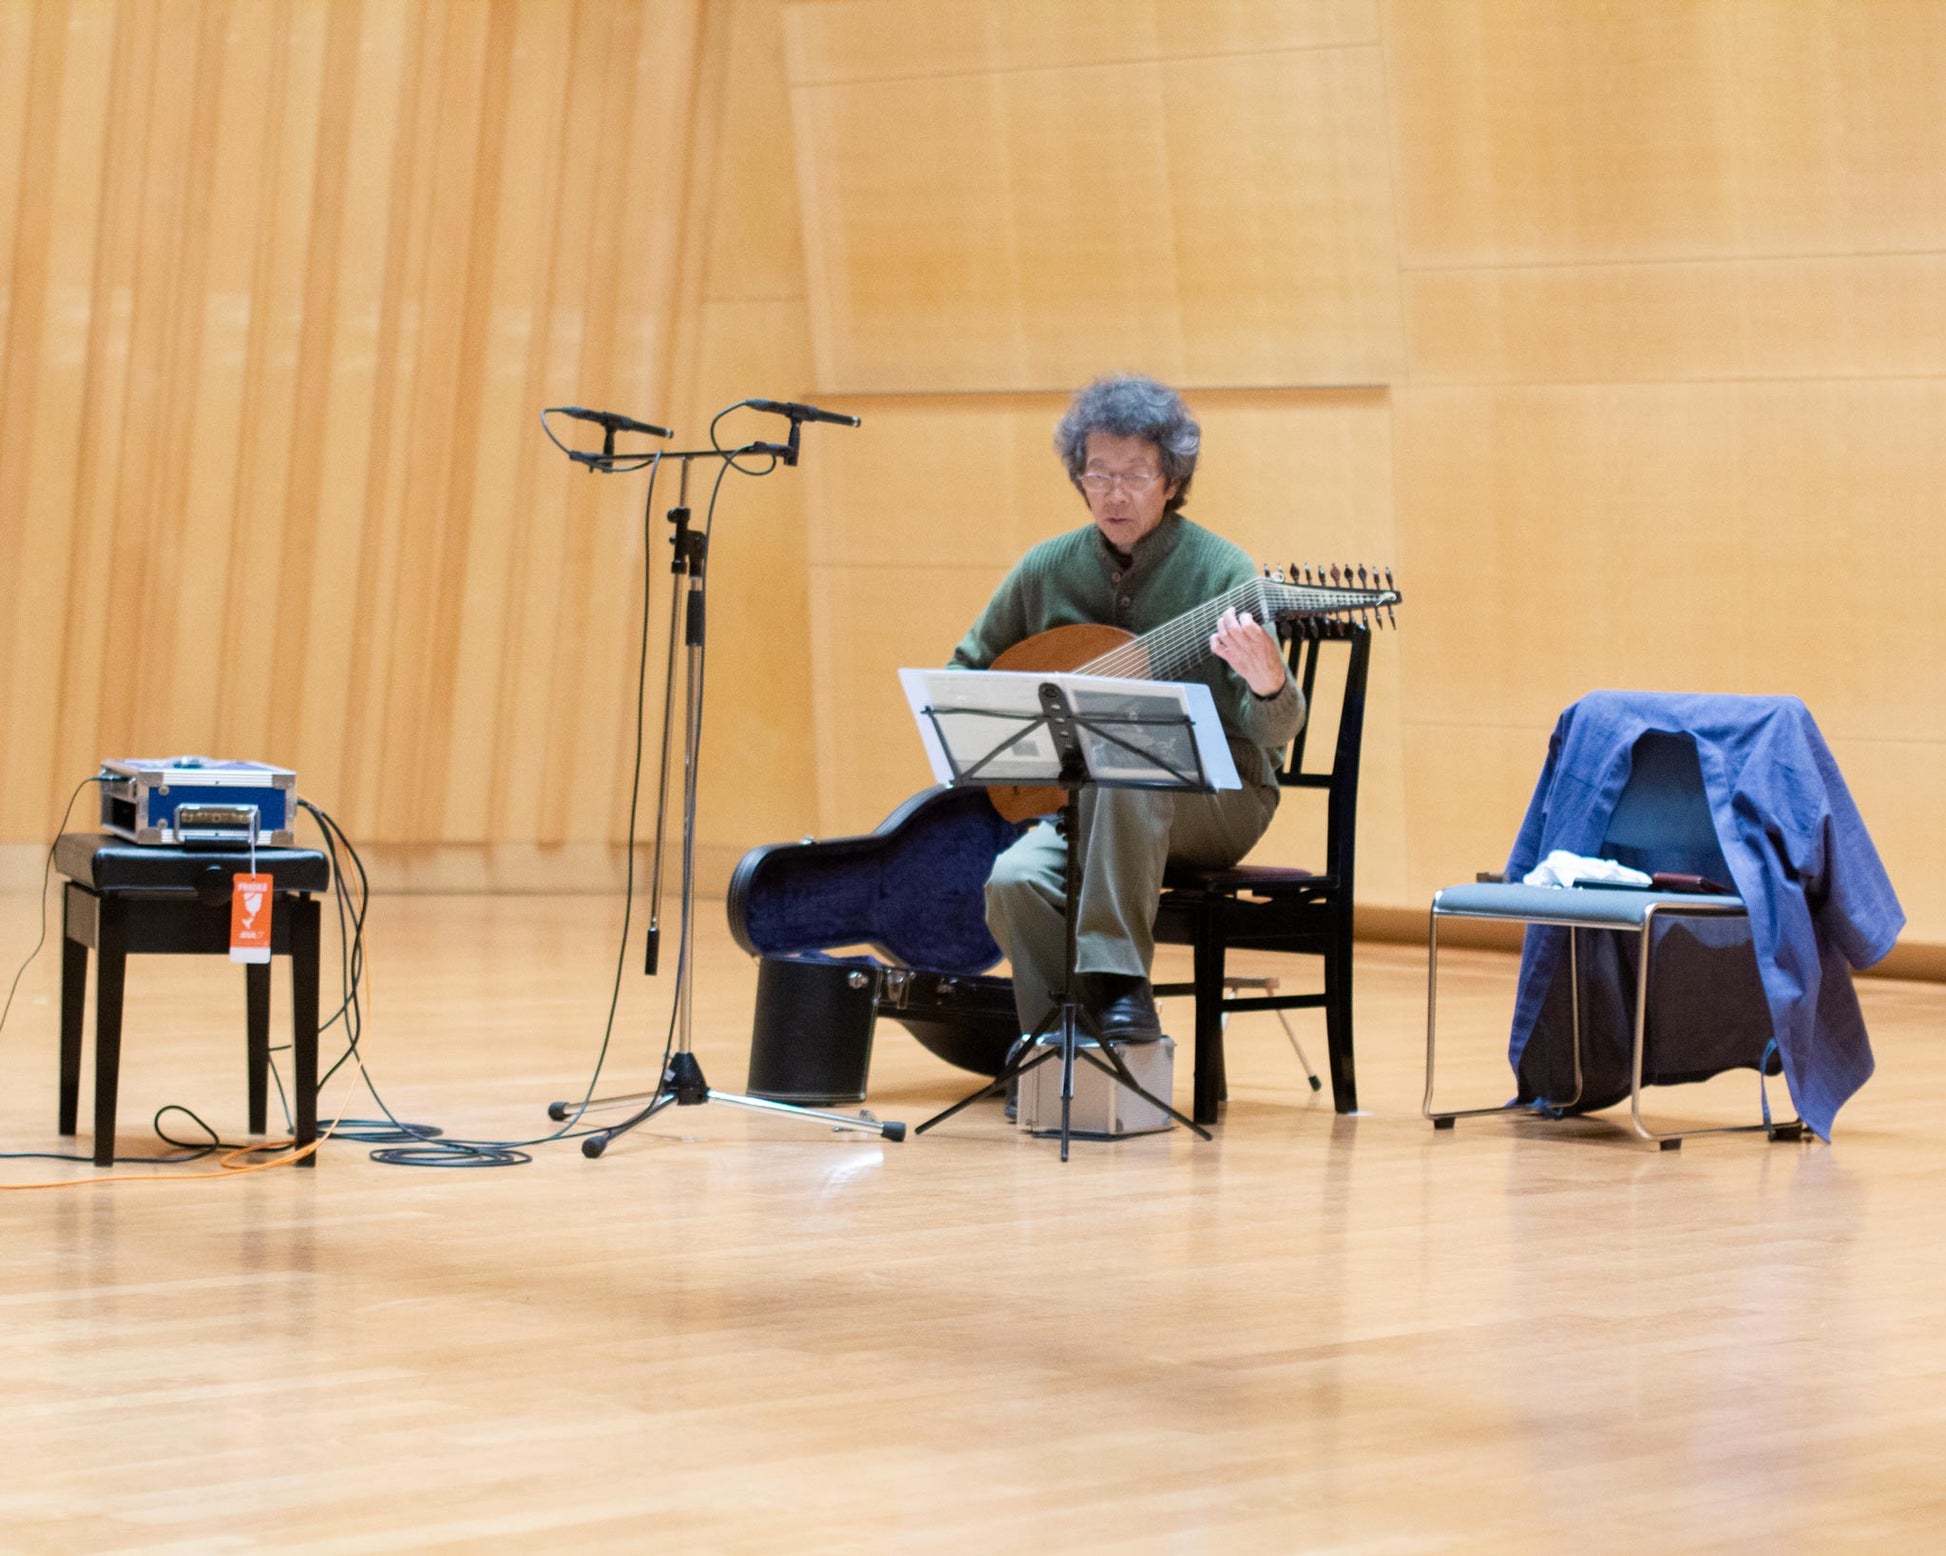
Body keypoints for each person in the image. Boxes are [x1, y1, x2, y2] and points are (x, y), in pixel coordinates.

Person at [950, 374, 1305, 1042]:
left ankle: (1121, 986)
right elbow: (966, 672)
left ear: (1171, 482)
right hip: (1090, 803)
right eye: (1098, 473)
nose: (1114, 492)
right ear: (1079, 479)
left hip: (1222, 795)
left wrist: (1268, 685)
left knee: (1123, 766)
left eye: (1136, 474)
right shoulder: (1045, 569)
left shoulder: (1221, 571)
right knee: (1014, 877)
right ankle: (1066, 1049)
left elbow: (1276, 728)